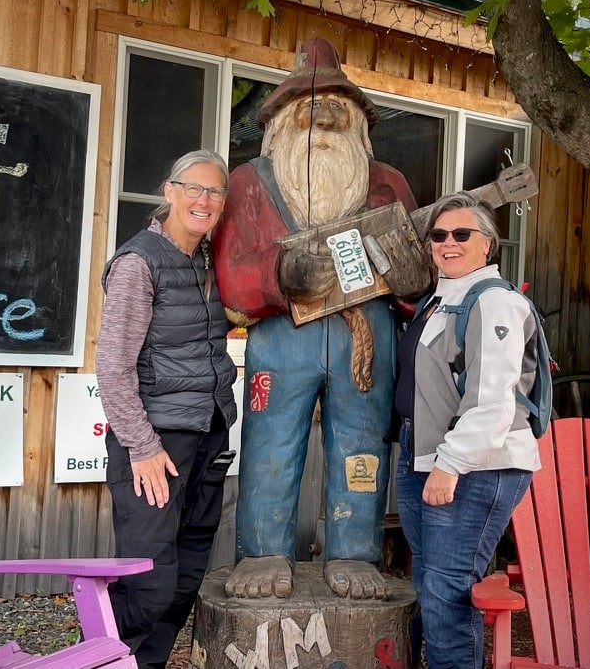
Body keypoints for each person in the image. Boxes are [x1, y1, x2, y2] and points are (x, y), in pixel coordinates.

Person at [211, 37, 418, 601]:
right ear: (279, 122)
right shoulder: (248, 184)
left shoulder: (386, 185)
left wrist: (402, 272)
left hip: (367, 342)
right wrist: (283, 273)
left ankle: (355, 550)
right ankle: (261, 550)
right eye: (310, 111)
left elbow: (412, 284)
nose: (323, 124)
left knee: (362, 445)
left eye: (337, 112)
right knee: (270, 442)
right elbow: (231, 277)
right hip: (281, 341)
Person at [97, 149, 238, 669]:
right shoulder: (139, 263)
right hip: (157, 441)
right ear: (169, 191)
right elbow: (113, 368)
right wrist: (142, 446)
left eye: (215, 191)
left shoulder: (209, 260)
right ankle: (106, 659)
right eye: (193, 188)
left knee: (187, 576)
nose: (204, 200)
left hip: (208, 433)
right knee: (149, 579)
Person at [394, 191, 540, 669]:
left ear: (488, 244)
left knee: (447, 590)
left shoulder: (494, 302)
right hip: (424, 454)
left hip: (474, 465)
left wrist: (449, 465)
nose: (448, 243)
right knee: (435, 588)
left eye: (462, 234)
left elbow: (493, 399)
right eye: (439, 235)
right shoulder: (441, 300)